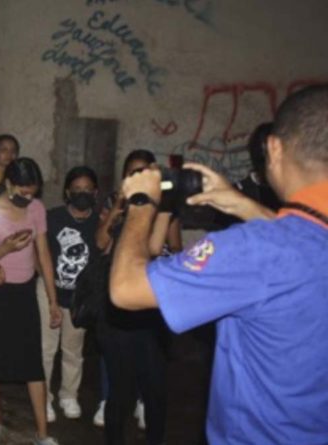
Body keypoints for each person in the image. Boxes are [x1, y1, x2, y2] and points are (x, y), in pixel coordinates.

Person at [111, 85, 328, 444]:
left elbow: (126, 289)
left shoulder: (253, 250)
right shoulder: (289, 245)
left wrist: (140, 202)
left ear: (273, 147)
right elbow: (302, 242)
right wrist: (242, 205)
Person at [0, 157, 62, 445]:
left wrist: (52, 299)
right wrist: (2, 251)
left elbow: (44, 255)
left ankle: (42, 434)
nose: (28, 198)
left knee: (32, 363)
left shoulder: (36, 209)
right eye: (23, 191)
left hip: (24, 292)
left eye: (32, 192)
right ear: (9, 183)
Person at [95, 149, 179, 445]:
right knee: (120, 391)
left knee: (155, 389)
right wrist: (119, 205)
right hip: (116, 310)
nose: (139, 177)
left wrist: (164, 207)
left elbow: (157, 248)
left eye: (144, 171)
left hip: (149, 309)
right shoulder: (114, 204)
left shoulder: (162, 206)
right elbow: (101, 243)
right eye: (133, 172)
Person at [40, 166, 100, 423]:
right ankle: (43, 398)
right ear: (67, 192)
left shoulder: (100, 222)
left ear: (95, 192)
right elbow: (40, 255)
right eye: (77, 189)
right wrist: (51, 296)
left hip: (79, 298)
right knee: (46, 348)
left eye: (87, 189)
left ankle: (68, 395)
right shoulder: (52, 217)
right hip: (48, 289)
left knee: (74, 349)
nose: (82, 193)